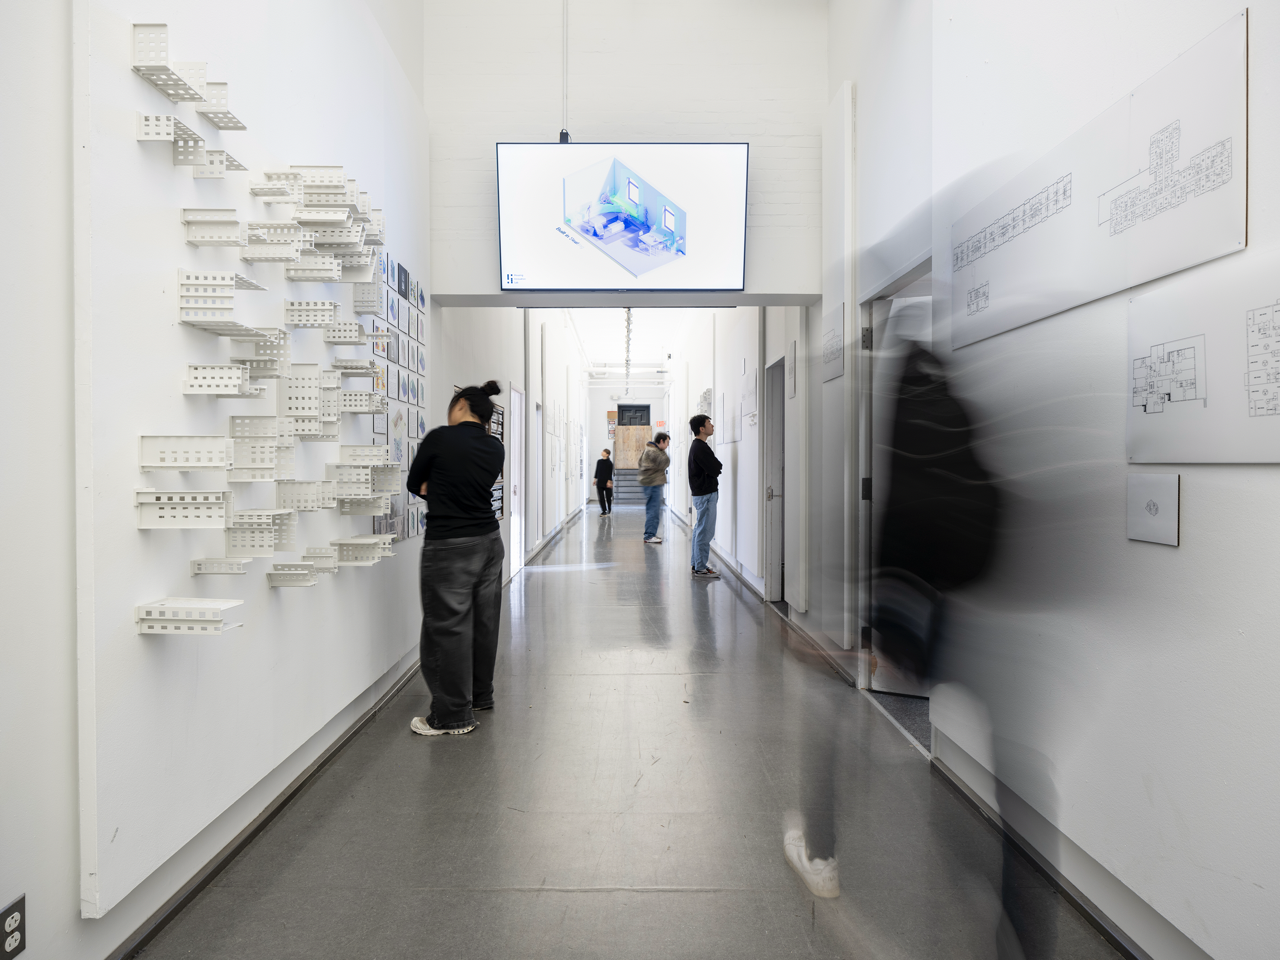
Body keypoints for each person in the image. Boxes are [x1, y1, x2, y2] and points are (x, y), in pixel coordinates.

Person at [405, 381, 506, 736]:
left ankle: (451, 715)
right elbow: (470, 484)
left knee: (447, 627)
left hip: (449, 545)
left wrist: (435, 485)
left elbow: (415, 484)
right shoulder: (495, 448)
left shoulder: (440, 439)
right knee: (484, 622)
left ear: (461, 404)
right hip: (490, 542)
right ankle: (480, 695)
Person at [687, 415, 721, 579]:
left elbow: (714, 467)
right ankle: (700, 567)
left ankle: (696, 564)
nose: (712, 426)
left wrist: (713, 468)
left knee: (700, 530)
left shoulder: (698, 446)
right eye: (709, 423)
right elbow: (717, 468)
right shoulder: (700, 447)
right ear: (701, 428)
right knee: (705, 531)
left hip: (702, 493)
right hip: (706, 494)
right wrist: (712, 469)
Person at [637, 432, 671, 543]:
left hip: (651, 483)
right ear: (661, 441)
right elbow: (666, 461)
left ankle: (650, 534)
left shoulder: (649, 449)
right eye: (667, 442)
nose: (667, 446)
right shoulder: (654, 451)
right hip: (652, 483)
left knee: (653, 509)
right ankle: (649, 535)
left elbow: (639, 462)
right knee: (653, 510)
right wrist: (662, 451)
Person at [593, 448, 614, 515]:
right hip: (600, 482)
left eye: (603, 452)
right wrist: (595, 479)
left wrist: (609, 481)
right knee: (601, 497)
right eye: (602, 451)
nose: (602, 452)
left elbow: (610, 473)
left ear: (607, 454)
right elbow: (597, 471)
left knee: (608, 497)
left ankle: (609, 508)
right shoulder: (599, 461)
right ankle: (603, 510)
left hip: (607, 482)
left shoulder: (610, 463)